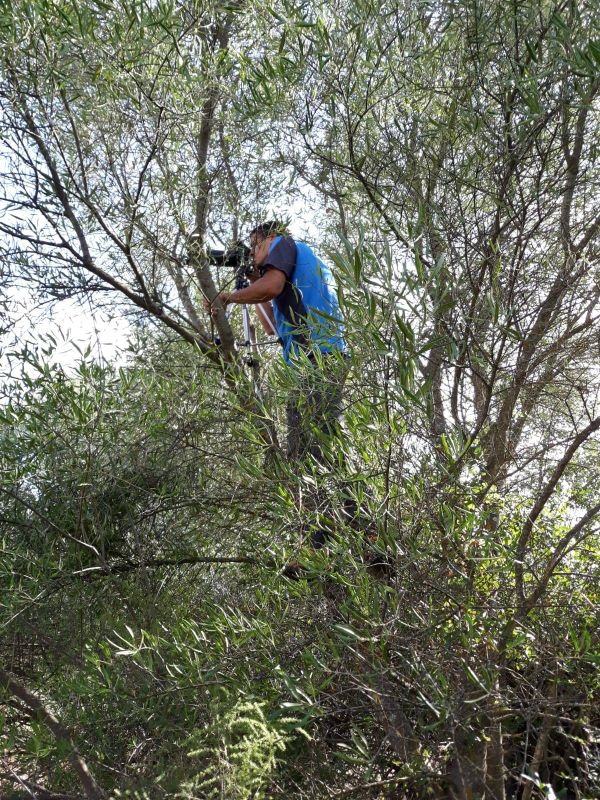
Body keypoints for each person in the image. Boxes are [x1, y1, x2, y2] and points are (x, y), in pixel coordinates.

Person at [208, 221, 348, 465]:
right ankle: (327, 498)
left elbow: (271, 287)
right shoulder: (293, 266)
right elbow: (270, 325)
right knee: (302, 440)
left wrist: (228, 298)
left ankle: (337, 500)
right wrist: (253, 283)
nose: (252, 254)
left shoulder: (285, 244)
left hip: (318, 356)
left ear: (271, 237)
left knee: (316, 446)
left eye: (255, 245)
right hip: (311, 359)